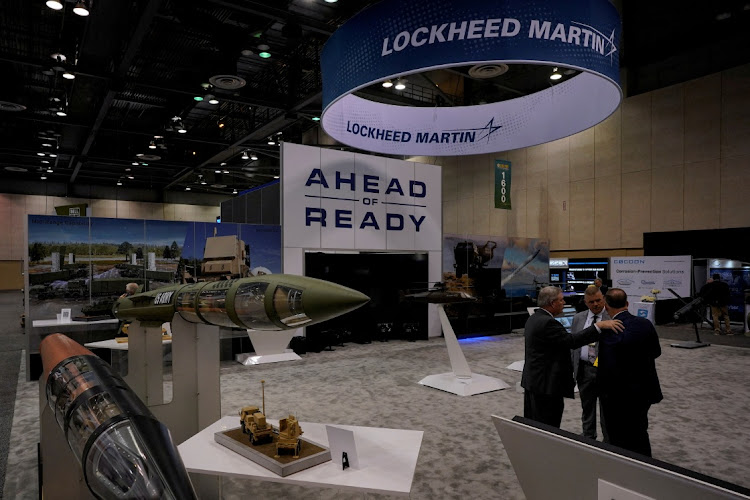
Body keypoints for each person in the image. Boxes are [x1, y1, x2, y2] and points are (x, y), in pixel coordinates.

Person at [521, 286, 623, 428]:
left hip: (535, 382)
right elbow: (571, 341)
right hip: (546, 385)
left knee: (536, 425)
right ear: (552, 303)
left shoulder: (534, 318)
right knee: (547, 426)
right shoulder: (549, 322)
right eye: (561, 300)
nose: (564, 303)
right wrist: (598, 326)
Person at [598, 288, 663, 457]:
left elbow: (606, 366)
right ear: (627, 304)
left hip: (616, 396)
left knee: (617, 437)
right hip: (643, 392)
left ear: (606, 306)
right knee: (640, 431)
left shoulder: (608, 330)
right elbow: (656, 352)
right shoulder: (645, 324)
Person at [571, 285, 610, 441]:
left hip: (605, 371)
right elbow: (573, 344)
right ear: (585, 302)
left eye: (599, 300)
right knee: (587, 406)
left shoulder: (612, 318)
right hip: (584, 369)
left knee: (607, 408)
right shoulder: (578, 318)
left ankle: (608, 439)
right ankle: (588, 436)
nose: (596, 304)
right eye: (591, 301)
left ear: (604, 299)